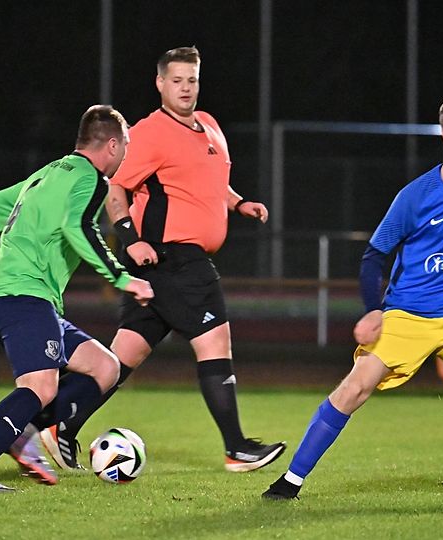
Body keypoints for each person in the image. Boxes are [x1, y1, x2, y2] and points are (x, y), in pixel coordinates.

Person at [262, 95, 443, 500]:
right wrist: (373, 311)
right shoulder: (416, 196)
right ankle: (289, 482)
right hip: (408, 317)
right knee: (355, 387)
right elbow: (374, 256)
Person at [29, 46, 286, 473]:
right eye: (177, 80)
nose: (185, 88)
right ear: (160, 83)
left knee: (121, 358)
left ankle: (49, 424)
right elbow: (115, 188)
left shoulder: (209, 126)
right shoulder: (149, 132)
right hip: (172, 258)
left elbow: (211, 183)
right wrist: (129, 239)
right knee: (214, 342)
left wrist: (239, 203)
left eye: (192, 80)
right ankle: (237, 448)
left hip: (170, 263)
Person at [0, 105, 153, 492]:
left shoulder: (47, 174)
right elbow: (78, 227)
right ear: (112, 145)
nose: (126, 155)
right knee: (41, 387)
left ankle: (24, 434)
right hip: (23, 296)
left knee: (105, 367)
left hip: (9, 298)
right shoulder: (91, 179)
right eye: (126, 146)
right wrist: (122, 278)